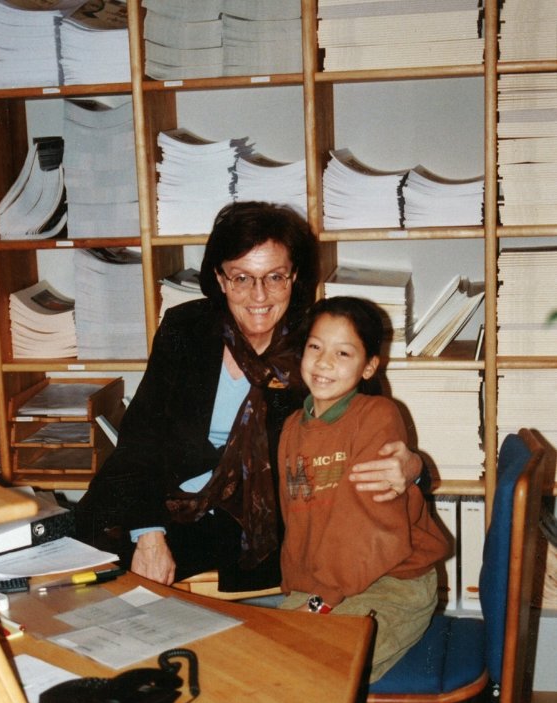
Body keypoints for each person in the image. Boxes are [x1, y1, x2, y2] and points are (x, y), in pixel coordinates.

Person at [75, 201, 424, 593]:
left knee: (120, 583)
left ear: (294, 277)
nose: (259, 296)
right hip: (165, 494)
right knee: (76, 557)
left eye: (274, 277)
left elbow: (374, 427)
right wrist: (149, 533)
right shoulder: (186, 329)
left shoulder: (319, 344)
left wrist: (414, 468)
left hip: (256, 519)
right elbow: (141, 437)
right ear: (220, 279)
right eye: (241, 278)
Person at [277, 296, 448, 703]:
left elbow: (372, 536)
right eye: (315, 347)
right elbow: (300, 525)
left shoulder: (377, 417)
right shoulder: (294, 426)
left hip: (394, 583)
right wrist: (297, 595)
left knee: (322, 672)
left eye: (343, 352)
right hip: (336, 583)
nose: (324, 362)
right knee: (270, 663)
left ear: (370, 365)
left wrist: (318, 602)